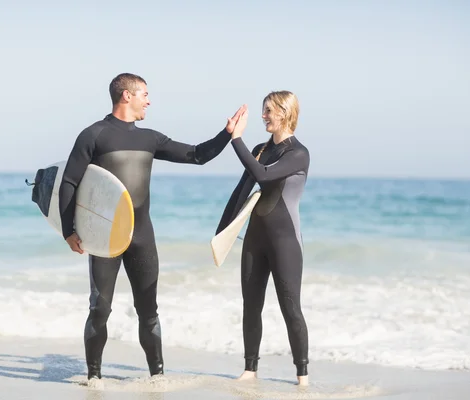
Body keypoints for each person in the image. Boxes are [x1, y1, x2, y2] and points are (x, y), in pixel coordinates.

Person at [59, 72, 245, 380]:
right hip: (105, 238)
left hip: (142, 237)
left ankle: (157, 378)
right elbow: (68, 182)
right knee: (100, 309)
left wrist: (227, 133)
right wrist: (69, 231)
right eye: (144, 93)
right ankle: (94, 378)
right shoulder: (93, 135)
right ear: (126, 96)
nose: (149, 100)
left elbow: (197, 155)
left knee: (149, 312)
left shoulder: (150, 139)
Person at [215, 91, 311, 386]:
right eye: (263, 110)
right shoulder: (259, 148)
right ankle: (250, 369)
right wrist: (220, 234)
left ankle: (302, 375)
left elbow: (263, 175)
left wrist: (236, 140)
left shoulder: (298, 153)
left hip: (285, 243)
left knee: (290, 307)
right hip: (254, 239)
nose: (264, 116)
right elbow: (242, 190)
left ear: (283, 113)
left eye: (268, 110)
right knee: (251, 304)